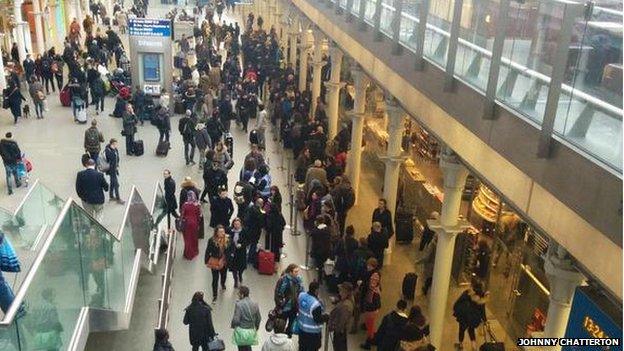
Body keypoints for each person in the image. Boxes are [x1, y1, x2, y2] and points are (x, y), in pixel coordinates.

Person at [453, 279, 489, 351]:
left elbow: (458, 301)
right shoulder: (482, 297)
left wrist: (456, 309)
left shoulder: (467, 293)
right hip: (474, 318)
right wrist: (485, 320)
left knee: (462, 329)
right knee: (471, 329)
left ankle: (460, 345)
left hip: (464, 316)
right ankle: (473, 345)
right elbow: (482, 310)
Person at [296, 281, 329, 351]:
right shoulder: (315, 304)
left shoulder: (301, 295)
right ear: (316, 290)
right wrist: (326, 317)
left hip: (302, 330)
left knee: (302, 348)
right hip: (312, 334)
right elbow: (318, 319)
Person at [274, 264, 304, 336]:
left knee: (291, 325)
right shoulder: (283, 280)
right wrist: (280, 304)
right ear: (290, 272)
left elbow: (301, 291)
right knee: (281, 324)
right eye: (295, 272)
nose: (297, 273)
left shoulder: (299, 280)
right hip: (284, 307)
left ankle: (288, 335)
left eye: (297, 271)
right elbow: (278, 293)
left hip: (294, 307)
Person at [231, 285, 262, 351]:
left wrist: (233, 326)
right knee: (248, 346)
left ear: (242, 295)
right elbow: (259, 318)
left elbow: (236, 320)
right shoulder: (255, 304)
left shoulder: (239, 304)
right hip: (250, 330)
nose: (238, 295)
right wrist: (256, 327)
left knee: (241, 348)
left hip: (241, 331)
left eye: (238, 293)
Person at [359, 258, 381, 350]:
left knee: (370, 324)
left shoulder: (374, 275)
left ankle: (369, 342)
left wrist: (362, 284)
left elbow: (371, 286)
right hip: (372, 303)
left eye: (369, 265)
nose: (367, 267)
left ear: (373, 266)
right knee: (369, 322)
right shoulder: (374, 274)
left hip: (371, 303)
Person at [205, 225, 229, 303]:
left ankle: (222, 283)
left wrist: (229, 257)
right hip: (215, 261)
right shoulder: (211, 240)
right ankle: (214, 295)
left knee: (223, 274)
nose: (222, 233)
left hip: (224, 260)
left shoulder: (227, 239)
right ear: (216, 232)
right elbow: (208, 250)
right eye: (220, 232)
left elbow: (231, 249)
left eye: (223, 231)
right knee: (215, 279)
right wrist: (206, 260)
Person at [328, 282, 354, 351]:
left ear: (346, 292)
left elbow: (341, 323)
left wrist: (333, 327)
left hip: (340, 334)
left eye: (341, 291)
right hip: (341, 333)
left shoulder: (346, 306)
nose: (339, 293)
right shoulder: (347, 300)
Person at [227, 218, 248, 288]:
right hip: (233, 252)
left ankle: (240, 275)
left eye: (238, 224)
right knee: (234, 268)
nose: (236, 225)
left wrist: (242, 245)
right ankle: (235, 280)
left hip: (241, 252)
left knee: (241, 267)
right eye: (235, 224)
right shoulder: (230, 231)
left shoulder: (244, 231)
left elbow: (247, 241)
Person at [181, 190, 202, 260]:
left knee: (187, 239)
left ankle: (187, 253)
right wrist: (198, 224)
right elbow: (199, 216)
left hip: (186, 224)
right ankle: (194, 251)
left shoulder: (185, 205)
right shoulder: (197, 205)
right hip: (194, 224)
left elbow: (182, 215)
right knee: (194, 238)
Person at [243, 197, 265, 266]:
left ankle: (243, 256)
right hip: (255, 232)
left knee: (245, 243)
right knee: (253, 245)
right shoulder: (260, 213)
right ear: (261, 204)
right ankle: (250, 258)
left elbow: (245, 218)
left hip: (247, 229)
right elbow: (261, 224)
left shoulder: (249, 208)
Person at [104, 139, 125, 204]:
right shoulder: (108, 150)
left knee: (113, 182)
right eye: (115, 144)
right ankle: (118, 198)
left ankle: (111, 196)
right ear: (111, 144)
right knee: (116, 184)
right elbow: (110, 158)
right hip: (111, 170)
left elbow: (117, 158)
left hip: (114, 169)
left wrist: (117, 165)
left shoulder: (115, 149)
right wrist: (113, 152)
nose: (116, 145)